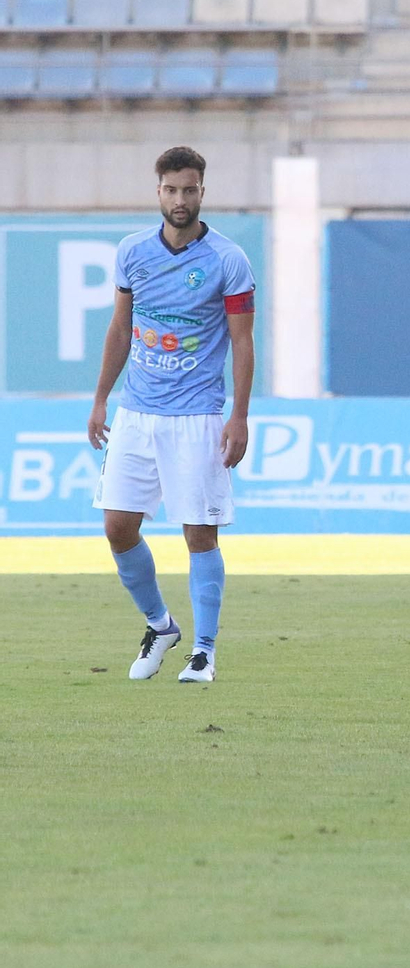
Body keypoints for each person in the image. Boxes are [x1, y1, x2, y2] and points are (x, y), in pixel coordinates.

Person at [88, 146, 256, 684]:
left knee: (199, 535)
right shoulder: (133, 251)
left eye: (189, 190)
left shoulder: (228, 260)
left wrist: (240, 415)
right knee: (117, 528)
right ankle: (161, 626)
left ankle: (203, 652)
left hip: (198, 416)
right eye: (170, 189)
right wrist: (100, 399)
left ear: (203, 192)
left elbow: (243, 341)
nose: (180, 199)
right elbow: (120, 329)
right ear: (157, 191)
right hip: (136, 413)